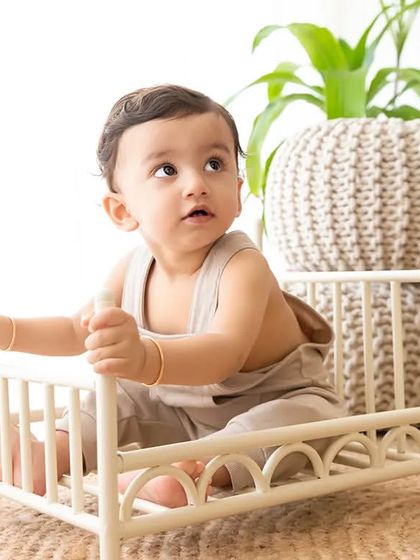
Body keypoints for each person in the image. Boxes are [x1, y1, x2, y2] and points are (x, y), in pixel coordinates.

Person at [0, 84, 346, 507]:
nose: (197, 183)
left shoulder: (242, 265)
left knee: (278, 429)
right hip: (184, 412)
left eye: (215, 163)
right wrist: (11, 330)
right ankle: (50, 454)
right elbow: (76, 331)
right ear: (122, 211)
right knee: (120, 394)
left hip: (280, 403)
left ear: (237, 193)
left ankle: (190, 475)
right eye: (167, 170)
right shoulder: (133, 268)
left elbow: (225, 353)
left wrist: (144, 357)